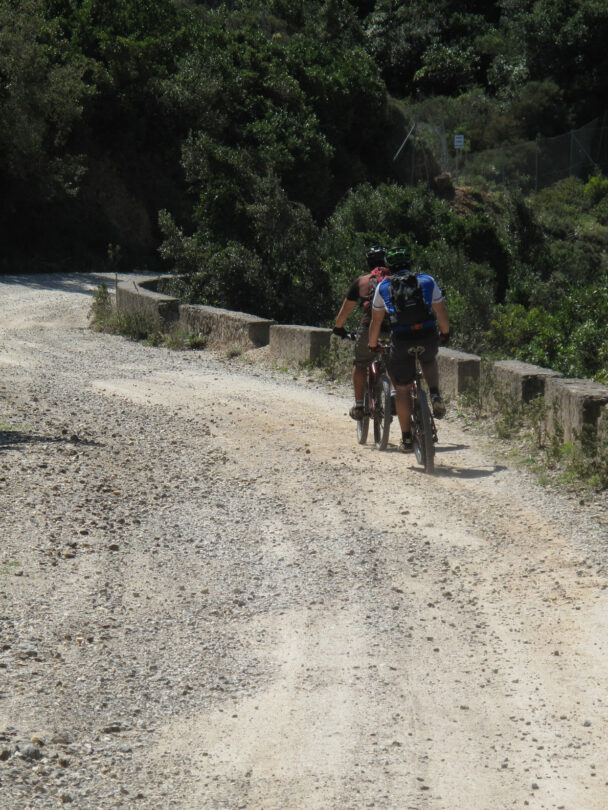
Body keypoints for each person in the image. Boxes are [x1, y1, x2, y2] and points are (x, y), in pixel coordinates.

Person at [367, 246, 450, 453]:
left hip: (402, 339)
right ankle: (434, 394)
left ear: (389, 267)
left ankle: (406, 439)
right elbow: (440, 310)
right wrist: (445, 333)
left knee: (402, 389)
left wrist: (372, 344)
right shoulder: (427, 280)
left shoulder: (383, 286)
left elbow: (376, 321)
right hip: (427, 334)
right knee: (428, 360)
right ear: (410, 264)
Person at [332, 246, 390, 420]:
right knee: (396, 362)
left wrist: (339, 328)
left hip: (369, 327)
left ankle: (358, 405)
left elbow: (346, 309)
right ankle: (394, 398)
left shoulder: (362, 281)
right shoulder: (396, 280)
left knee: (360, 363)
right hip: (394, 328)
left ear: (368, 263)